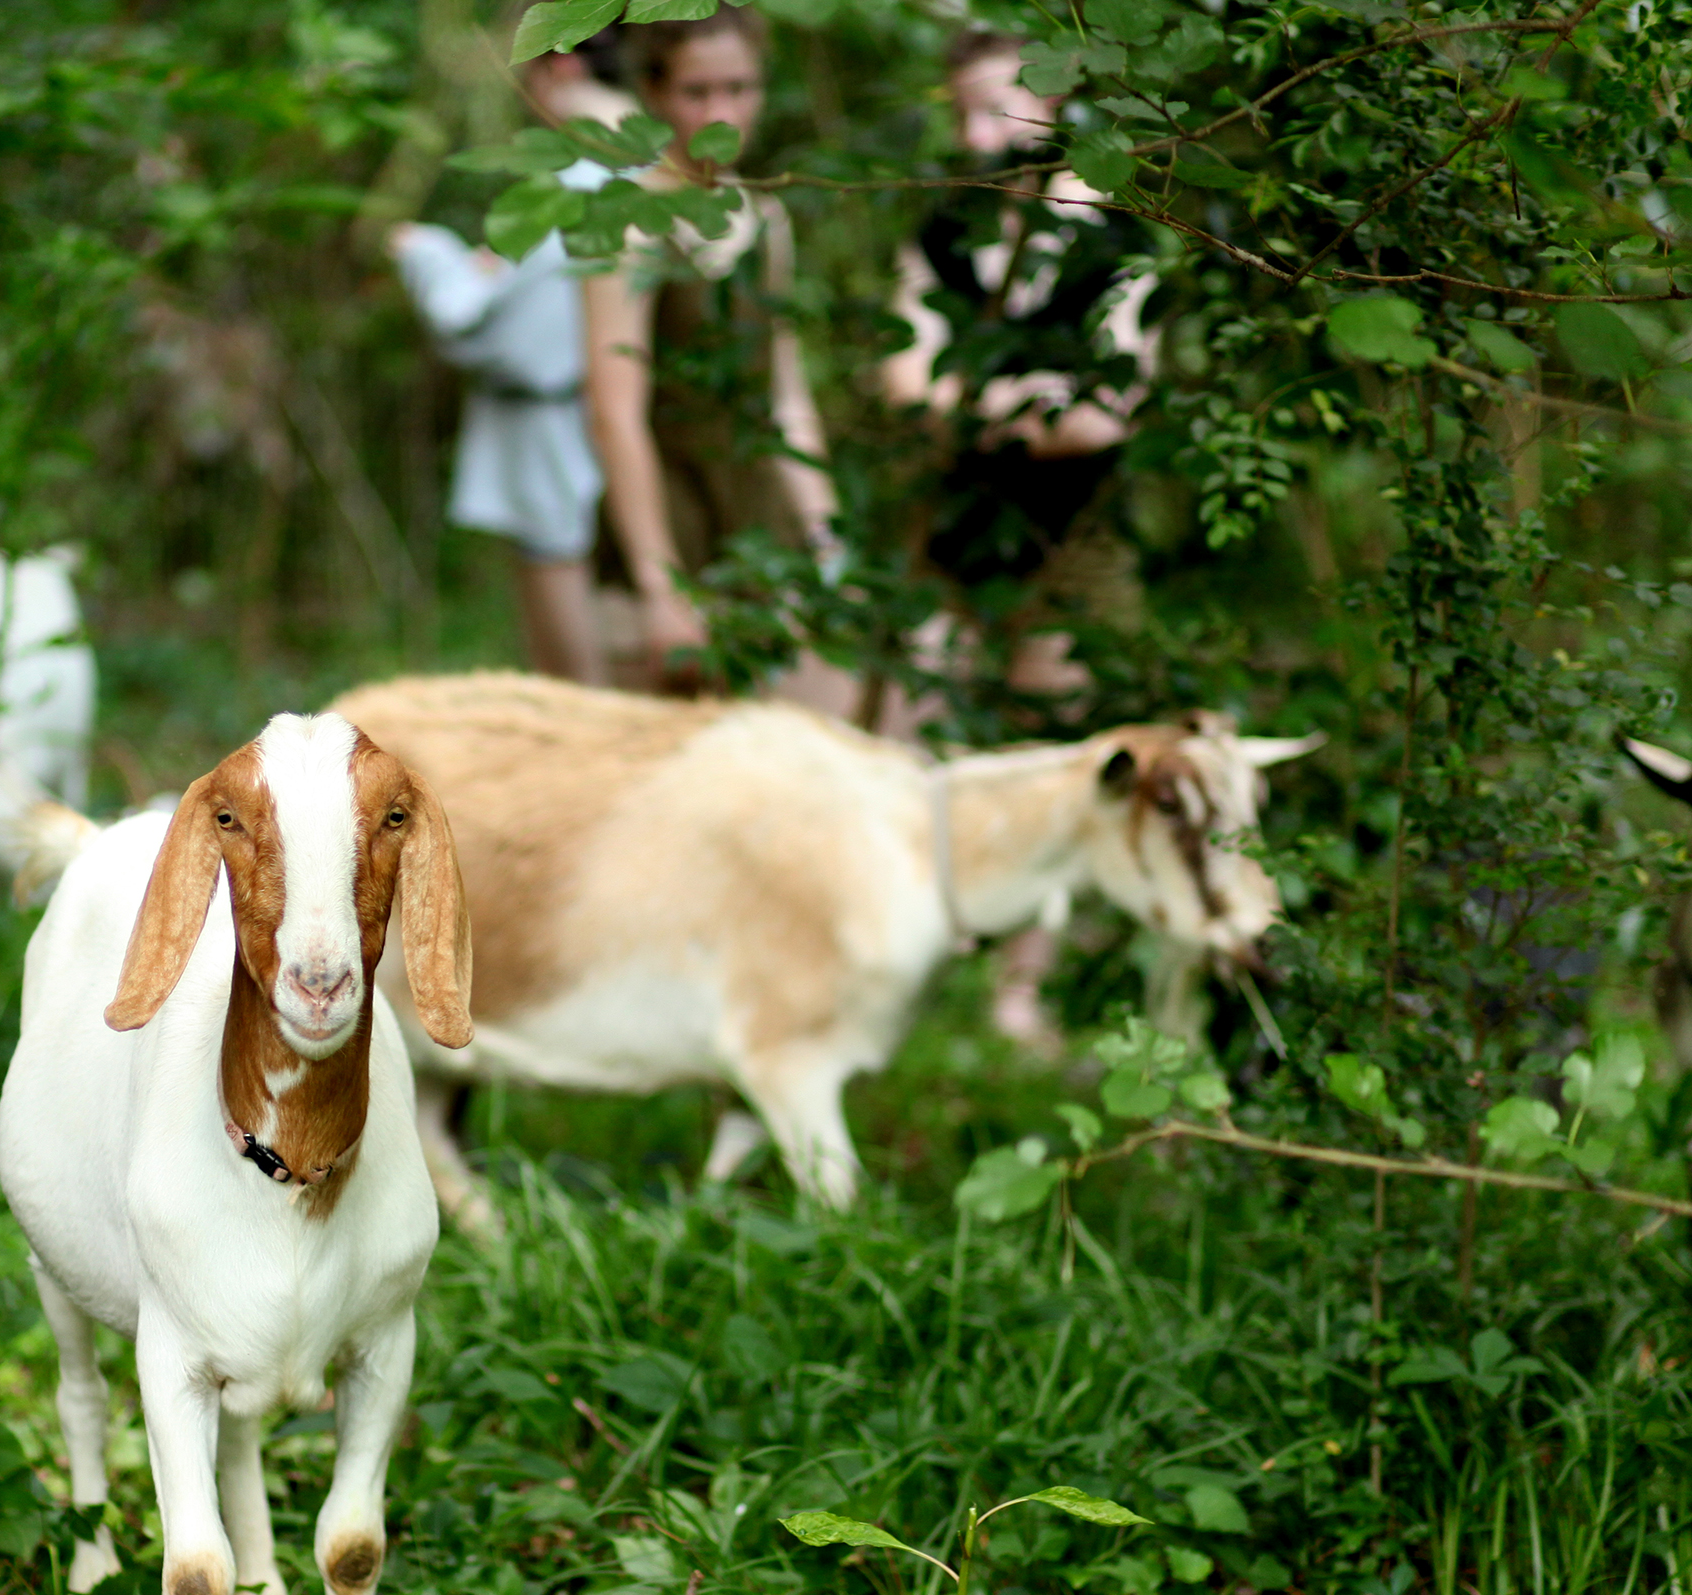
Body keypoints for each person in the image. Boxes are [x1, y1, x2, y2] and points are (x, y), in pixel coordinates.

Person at [880, 30, 1160, 1050]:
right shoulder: (945, 232)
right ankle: (906, 962)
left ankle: (1020, 992)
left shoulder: (1116, 241)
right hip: (953, 524)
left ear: (1056, 101)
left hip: (1072, 533)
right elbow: (904, 386)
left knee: (1059, 757)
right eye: (961, 110)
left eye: (997, 106)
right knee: (920, 736)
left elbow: (1105, 412)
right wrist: (1026, 402)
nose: (977, 132)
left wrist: (973, 399)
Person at [582, 5, 857, 716]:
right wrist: (660, 588)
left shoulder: (764, 218)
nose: (721, 111)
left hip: (764, 531)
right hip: (669, 523)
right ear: (655, 93)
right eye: (697, 92)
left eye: (740, 88)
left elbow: (787, 397)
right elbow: (615, 411)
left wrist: (830, 545)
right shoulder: (629, 218)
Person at [388, 35, 635, 685]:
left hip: (558, 421)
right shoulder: (629, 165)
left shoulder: (588, 176)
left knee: (570, 644)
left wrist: (428, 255)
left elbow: (476, 320)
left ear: (561, 66)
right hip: (587, 420)